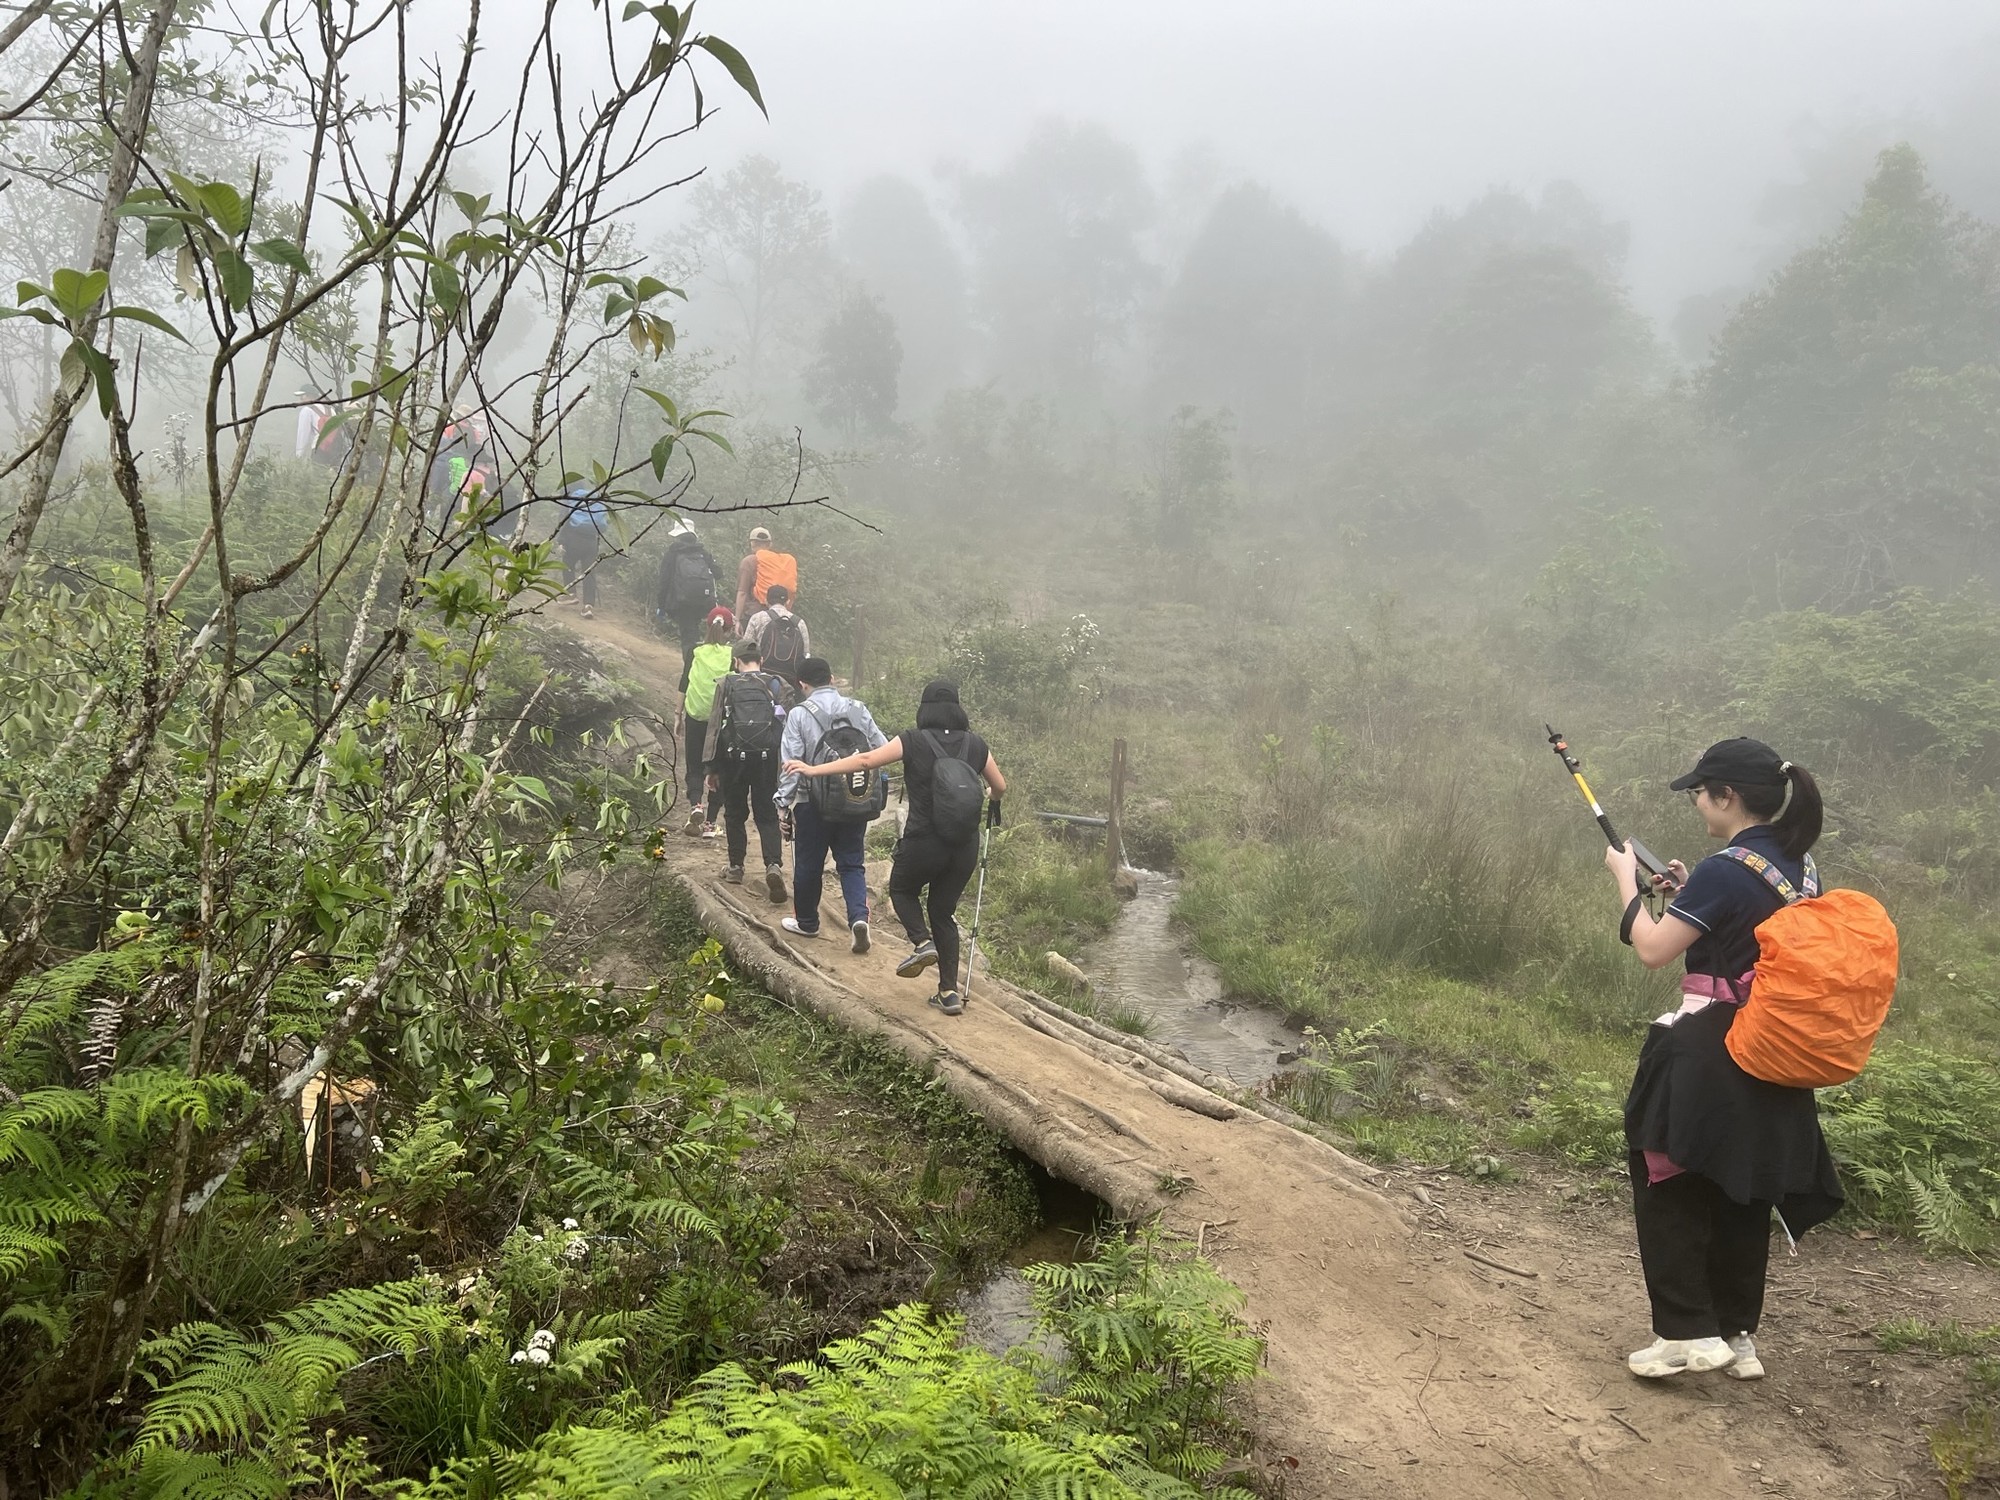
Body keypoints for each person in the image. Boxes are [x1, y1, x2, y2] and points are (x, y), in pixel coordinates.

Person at [1606, 736, 1842, 1383]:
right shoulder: (1802, 868)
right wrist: (1687, 891)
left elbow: (1654, 948)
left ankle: (1686, 1331)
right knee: (1745, 1184)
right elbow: (1742, 928)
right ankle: (1738, 1337)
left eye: (1700, 793)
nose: (1697, 804)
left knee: (1666, 1169)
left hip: (1711, 1045)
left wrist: (1625, 882)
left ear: (1728, 796)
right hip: (1776, 1046)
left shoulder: (1723, 869)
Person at [786, 679, 1004, 1017]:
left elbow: (865, 761)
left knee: (901, 890)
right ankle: (948, 993)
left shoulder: (913, 740)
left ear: (925, 708)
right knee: (943, 913)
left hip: (924, 841)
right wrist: (992, 798)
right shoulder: (977, 745)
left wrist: (813, 769)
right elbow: (999, 786)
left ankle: (921, 942)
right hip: (963, 846)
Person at [774, 657, 887, 953]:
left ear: (802, 684)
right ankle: (859, 919)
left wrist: (783, 804)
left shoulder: (798, 714)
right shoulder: (857, 708)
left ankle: (808, 923)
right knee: (851, 863)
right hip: (855, 797)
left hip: (812, 801)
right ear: (833, 678)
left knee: (809, 862)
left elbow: (791, 764)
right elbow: (881, 747)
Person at [702, 638, 790, 903]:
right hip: (767, 760)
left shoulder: (726, 684)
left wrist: (711, 767)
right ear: (761, 661)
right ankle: (773, 864)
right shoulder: (777, 684)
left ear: (736, 662)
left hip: (733, 760)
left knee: (735, 813)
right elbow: (787, 727)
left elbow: (715, 727)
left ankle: (736, 867)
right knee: (766, 814)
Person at [675, 605, 735, 837]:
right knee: (719, 767)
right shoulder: (732, 655)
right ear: (729, 631)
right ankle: (710, 823)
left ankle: (695, 806)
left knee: (694, 764)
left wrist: (677, 715)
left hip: (695, 716)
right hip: (719, 720)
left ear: (707, 627)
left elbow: (684, 683)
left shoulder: (694, 652)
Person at [657, 519, 719, 671]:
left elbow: (664, 580)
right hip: (702, 602)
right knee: (695, 632)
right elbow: (719, 573)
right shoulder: (703, 553)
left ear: (677, 535)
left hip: (681, 602)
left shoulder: (672, 554)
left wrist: (661, 606)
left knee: (687, 636)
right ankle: (697, 665)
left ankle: (690, 671)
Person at [745, 583, 810, 693]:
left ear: (766, 601)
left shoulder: (757, 618)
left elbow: (746, 648)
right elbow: (806, 654)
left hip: (762, 678)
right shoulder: (799, 622)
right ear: (787, 602)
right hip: (791, 680)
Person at [733, 524, 799, 623]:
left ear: (752, 543)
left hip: (754, 615)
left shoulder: (749, 561)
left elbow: (742, 592)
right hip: (779, 617)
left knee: (748, 639)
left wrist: (737, 620)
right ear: (769, 545)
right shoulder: (781, 563)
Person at [559, 486, 610, 615]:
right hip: (592, 542)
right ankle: (588, 606)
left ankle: (571, 594)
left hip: (574, 539)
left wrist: (561, 542)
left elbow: (564, 522)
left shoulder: (571, 501)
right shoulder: (594, 501)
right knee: (589, 573)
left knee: (567, 564)